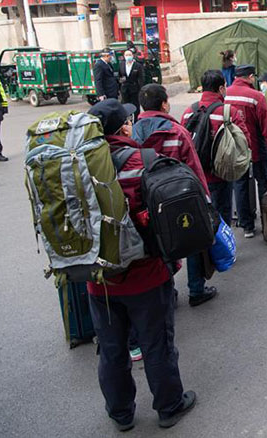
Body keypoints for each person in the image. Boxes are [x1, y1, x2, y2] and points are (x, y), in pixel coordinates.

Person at [86, 98, 196, 432]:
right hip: (145, 276)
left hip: (98, 279)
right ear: (122, 127)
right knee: (156, 344)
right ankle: (168, 406)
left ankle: (120, 413)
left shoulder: (78, 165)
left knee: (111, 348)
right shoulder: (142, 160)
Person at [132, 84, 218, 307]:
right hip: (182, 197)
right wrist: (206, 201)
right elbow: (194, 167)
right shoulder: (177, 131)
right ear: (164, 104)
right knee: (192, 241)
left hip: (150, 201)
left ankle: (168, 293)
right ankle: (196, 290)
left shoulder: (133, 133)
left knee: (159, 245)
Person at [182, 70, 250, 228]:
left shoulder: (188, 112)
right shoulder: (227, 112)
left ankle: (206, 249)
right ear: (221, 88)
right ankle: (223, 250)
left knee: (201, 216)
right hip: (220, 175)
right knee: (222, 216)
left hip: (196, 176)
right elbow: (244, 142)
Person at [226, 64, 267, 237]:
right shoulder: (256, 96)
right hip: (256, 147)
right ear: (250, 77)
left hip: (235, 149)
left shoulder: (225, 95)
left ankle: (246, 226)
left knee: (240, 185)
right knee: (264, 183)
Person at [119, 49, 145, 119]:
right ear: (124, 56)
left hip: (134, 88)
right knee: (125, 105)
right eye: (126, 55)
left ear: (133, 56)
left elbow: (141, 78)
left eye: (129, 55)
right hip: (124, 89)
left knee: (135, 105)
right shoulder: (121, 64)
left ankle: (136, 119)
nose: (128, 56)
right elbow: (119, 76)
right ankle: (128, 119)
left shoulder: (137, 65)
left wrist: (141, 89)